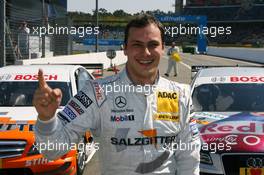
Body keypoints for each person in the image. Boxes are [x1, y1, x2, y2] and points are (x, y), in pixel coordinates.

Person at [33, 14, 200, 175]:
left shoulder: (181, 95)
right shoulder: (96, 92)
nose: (146, 53)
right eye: (137, 45)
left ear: (163, 48)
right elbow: (53, 151)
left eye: (152, 45)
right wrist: (47, 120)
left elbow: (189, 159)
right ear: (125, 48)